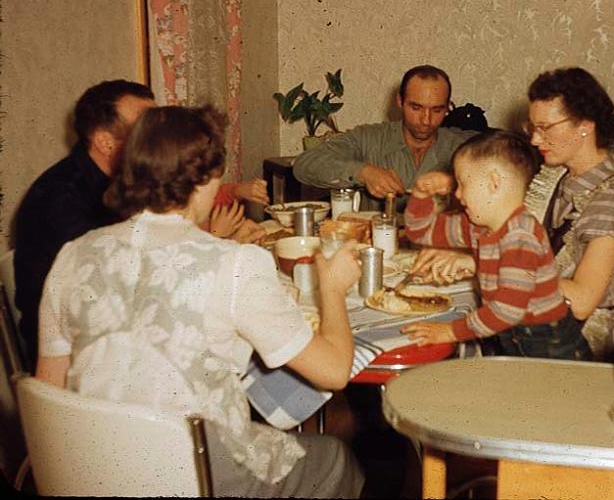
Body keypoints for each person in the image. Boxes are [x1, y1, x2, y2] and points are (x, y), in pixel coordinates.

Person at [35, 105, 364, 498]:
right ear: (208, 177)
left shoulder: (73, 255)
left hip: (89, 469)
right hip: (189, 473)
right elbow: (334, 372)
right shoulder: (235, 262)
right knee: (336, 458)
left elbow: (48, 392)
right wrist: (332, 288)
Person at [400, 130, 591, 360]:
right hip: (514, 335)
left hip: (549, 346)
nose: (457, 194)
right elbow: (420, 232)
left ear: (494, 183)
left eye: (462, 184)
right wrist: (421, 195)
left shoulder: (521, 237)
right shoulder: (478, 227)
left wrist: (450, 331)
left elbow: (506, 311)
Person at [13, 80, 156, 367]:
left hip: (113, 325)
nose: (158, 138)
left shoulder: (125, 180)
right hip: (70, 352)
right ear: (105, 142)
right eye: (146, 128)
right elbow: (115, 280)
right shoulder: (60, 197)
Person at [524, 67, 614, 360]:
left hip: (585, 343)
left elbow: (582, 301)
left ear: (585, 125)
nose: (535, 140)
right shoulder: (562, 176)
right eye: (532, 128)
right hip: (553, 322)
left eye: (545, 128)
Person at [292, 65, 478, 211]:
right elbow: (305, 164)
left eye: (437, 110)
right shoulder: (368, 138)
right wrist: (363, 172)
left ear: (448, 107)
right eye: (416, 108)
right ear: (400, 101)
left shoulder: (463, 146)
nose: (426, 120)